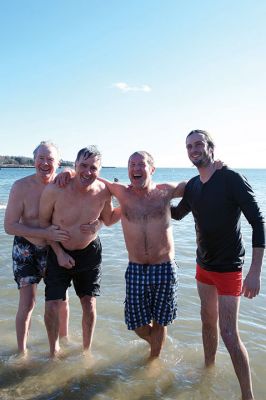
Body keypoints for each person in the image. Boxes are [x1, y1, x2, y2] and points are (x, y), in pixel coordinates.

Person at [171, 130, 265, 400]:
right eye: (189, 146)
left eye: (198, 144)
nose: (193, 149)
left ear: (210, 147)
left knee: (228, 333)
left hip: (229, 269)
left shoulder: (230, 179)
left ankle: (248, 396)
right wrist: (149, 199)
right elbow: (177, 214)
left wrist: (255, 272)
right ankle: (208, 369)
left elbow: (258, 222)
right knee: (207, 321)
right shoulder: (193, 186)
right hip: (203, 266)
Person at [97, 151, 187, 359]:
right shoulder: (121, 192)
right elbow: (90, 176)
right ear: (128, 170)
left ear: (152, 169)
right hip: (136, 267)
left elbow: (196, 183)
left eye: (141, 164)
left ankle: (153, 359)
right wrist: (66, 170)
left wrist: (218, 168)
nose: (136, 168)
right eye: (132, 164)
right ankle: (155, 343)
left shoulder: (165, 192)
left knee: (161, 320)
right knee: (136, 323)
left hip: (164, 266)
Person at [39, 146, 121, 358]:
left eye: (93, 167)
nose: (87, 171)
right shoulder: (56, 188)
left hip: (89, 252)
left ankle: (87, 351)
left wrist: (98, 226)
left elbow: (109, 219)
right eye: (83, 166)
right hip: (59, 252)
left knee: (89, 303)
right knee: (52, 304)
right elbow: (43, 223)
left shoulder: (103, 190)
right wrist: (58, 252)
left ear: (99, 169)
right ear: (74, 165)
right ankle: (53, 351)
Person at [4, 141, 71, 356]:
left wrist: (69, 171)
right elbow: (9, 226)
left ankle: (64, 341)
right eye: (41, 158)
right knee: (28, 302)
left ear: (58, 163)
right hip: (26, 247)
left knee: (61, 300)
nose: (45, 163)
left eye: (50, 159)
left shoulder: (64, 184)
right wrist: (46, 234)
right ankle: (22, 352)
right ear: (34, 161)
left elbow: (86, 176)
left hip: (55, 248)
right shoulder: (20, 187)